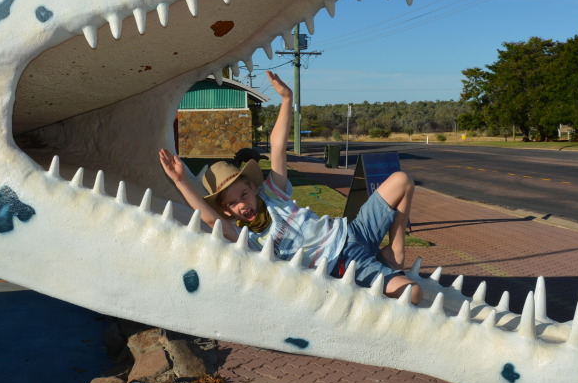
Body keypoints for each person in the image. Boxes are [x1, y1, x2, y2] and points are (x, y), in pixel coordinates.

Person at [159, 71, 420, 303]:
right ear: (227, 211)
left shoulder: (273, 194)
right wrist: (181, 181)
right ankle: (381, 266)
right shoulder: (246, 240)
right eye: (232, 204)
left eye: (244, 194)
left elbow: (277, 147)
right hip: (342, 264)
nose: (242, 204)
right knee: (412, 293)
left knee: (402, 180)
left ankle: (395, 251)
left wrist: (287, 100)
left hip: (353, 231)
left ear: (253, 187)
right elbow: (208, 216)